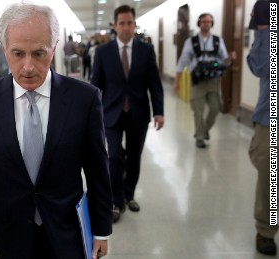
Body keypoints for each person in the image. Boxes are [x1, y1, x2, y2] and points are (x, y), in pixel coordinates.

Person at [0, 3, 113, 259]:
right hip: (11, 231)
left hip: (67, 229)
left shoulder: (84, 98)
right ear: (4, 50)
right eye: (17, 53)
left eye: (38, 53)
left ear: (54, 48)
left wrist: (101, 231)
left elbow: (97, 167)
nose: (28, 67)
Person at [91, 5, 164, 222]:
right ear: (114, 26)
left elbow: (154, 84)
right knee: (113, 157)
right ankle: (116, 199)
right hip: (111, 113)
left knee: (134, 157)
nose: (125, 27)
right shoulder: (103, 52)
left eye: (129, 23)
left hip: (138, 113)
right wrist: (91, 114)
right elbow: (96, 85)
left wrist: (159, 112)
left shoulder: (146, 50)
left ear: (134, 24)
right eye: (121, 23)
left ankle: (129, 194)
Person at [173, 13, 236, 148]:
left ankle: (204, 130)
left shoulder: (218, 41)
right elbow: (182, 61)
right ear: (199, 23)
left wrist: (230, 58)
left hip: (213, 80)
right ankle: (200, 137)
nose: (206, 24)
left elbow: (225, 61)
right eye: (203, 21)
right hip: (197, 81)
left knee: (215, 108)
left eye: (208, 21)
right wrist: (176, 81)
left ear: (211, 24)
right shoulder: (191, 42)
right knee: (198, 110)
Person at [246, 0, 277, 255]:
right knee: (270, 175)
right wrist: (266, 29)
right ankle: (266, 229)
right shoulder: (269, 8)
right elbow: (260, 67)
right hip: (271, 116)